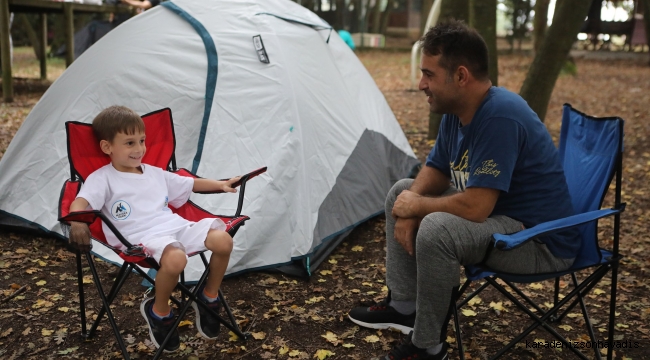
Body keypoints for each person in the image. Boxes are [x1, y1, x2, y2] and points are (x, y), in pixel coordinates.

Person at [347, 20, 579, 360]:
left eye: (428, 74)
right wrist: (408, 203)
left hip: (538, 239)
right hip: (502, 219)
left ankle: (427, 346)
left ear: (460, 76)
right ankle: (404, 307)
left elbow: (476, 209)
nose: (421, 83)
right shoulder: (457, 112)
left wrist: (417, 209)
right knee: (402, 190)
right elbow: (438, 170)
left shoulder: (500, 116)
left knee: (438, 229)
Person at [68, 105, 238, 352]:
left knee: (223, 241)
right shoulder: (102, 178)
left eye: (142, 140)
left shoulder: (155, 173)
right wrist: (77, 220)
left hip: (173, 226)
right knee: (176, 259)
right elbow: (81, 201)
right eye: (129, 143)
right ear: (107, 147)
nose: (139, 149)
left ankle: (208, 297)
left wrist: (221, 185)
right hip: (139, 238)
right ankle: (159, 312)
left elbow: (190, 183)